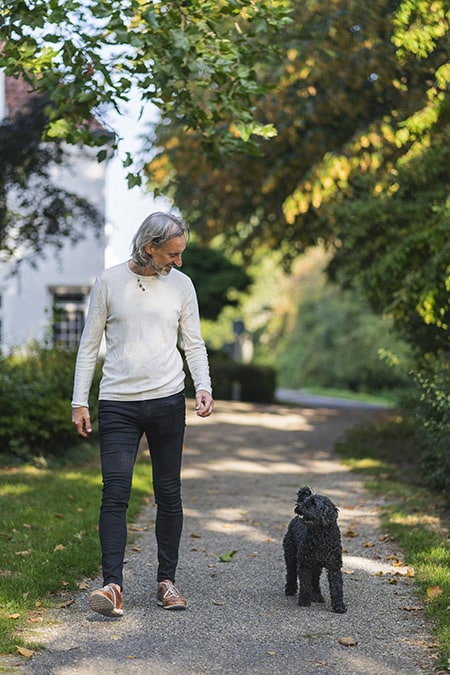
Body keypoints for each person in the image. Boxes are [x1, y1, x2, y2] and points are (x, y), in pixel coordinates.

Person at [71, 211, 214, 617]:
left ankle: (166, 583)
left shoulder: (182, 286)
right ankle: (112, 586)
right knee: (114, 492)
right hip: (117, 403)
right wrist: (79, 400)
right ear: (149, 248)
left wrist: (202, 385)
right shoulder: (109, 282)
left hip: (168, 401)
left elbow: (194, 343)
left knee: (168, 493)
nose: (178, 262)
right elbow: (88, 345)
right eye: (172, 253)